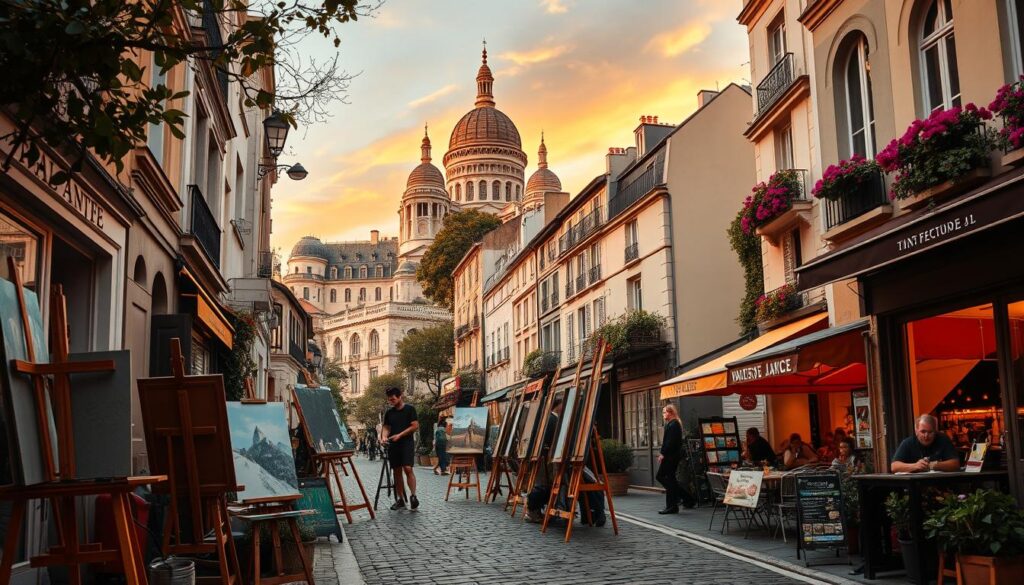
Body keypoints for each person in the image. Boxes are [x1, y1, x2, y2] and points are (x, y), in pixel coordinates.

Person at [382, 386, 419, 510]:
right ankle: (401, 499)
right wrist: (383, 437)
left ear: (400, 397)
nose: (391, 401)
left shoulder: (410, 409)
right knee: (397, 472)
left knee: (408, 468)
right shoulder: (389, 412)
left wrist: (400, 435)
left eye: (393, 399)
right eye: (389, 400)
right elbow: (386, 427)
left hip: (406, 443)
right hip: (393, 444)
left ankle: (413, 496)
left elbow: (415, 426)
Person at [657, 404, 695, 514]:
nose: (663, 414)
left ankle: (673, 505)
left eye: (665, 412)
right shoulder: (672, 424)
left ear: (671, 413)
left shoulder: (674, 425)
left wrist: (662, 454)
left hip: (671, 457)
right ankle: (687, 499)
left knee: (664, 478)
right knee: (670, 480)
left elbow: (670, 442)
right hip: (671, 456)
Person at [890, 414, 959, 473]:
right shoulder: (908, 442)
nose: (926, 436)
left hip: (940, 484)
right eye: (923, 431)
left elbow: (955, 464)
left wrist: (932, 465)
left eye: (930, 432)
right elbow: (894, 467)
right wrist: (916, 466)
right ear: (916, 431)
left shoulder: (943, 439)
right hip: (916, 485)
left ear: (935, 431)